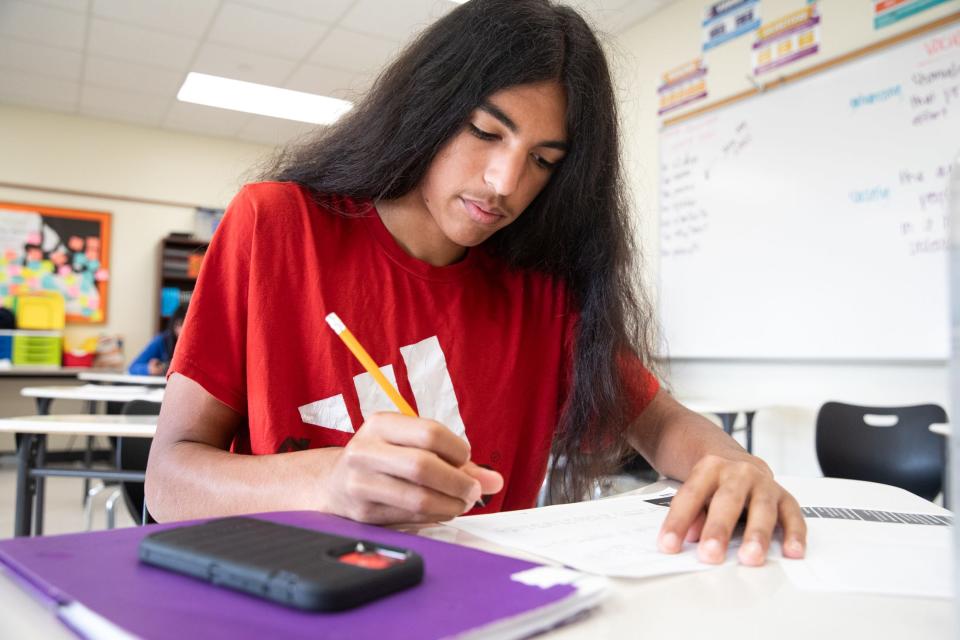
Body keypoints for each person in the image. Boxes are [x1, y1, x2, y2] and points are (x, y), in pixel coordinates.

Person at [145, 0, 805, 567]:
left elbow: (659, 421)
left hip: (476, 611)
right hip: (288, 601)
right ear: (429, 109)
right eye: (486, 132)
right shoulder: (277, 226)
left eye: (544, 161)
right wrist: (328, 479)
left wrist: (734, 465)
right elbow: (168, 483)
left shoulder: (543, 290)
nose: (505, 183)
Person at [128, 303, 187, 376]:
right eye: (179, 324)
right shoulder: (162, 341)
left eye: (186, 324)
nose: (182, 330)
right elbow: (132, 368)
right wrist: (148, 369)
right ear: (173, 325)